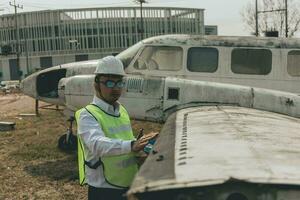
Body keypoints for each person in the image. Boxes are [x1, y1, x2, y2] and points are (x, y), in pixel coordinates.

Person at [75, 56, 156, 200]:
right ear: (97, 84)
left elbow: (126, 140)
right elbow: (97, 144)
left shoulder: (121, 111)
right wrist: (132, 145)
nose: (116, 88)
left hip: (127, 184)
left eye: (119, 83)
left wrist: (141, 149)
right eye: (109, 83)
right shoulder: (87, 115)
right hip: (105, 190)